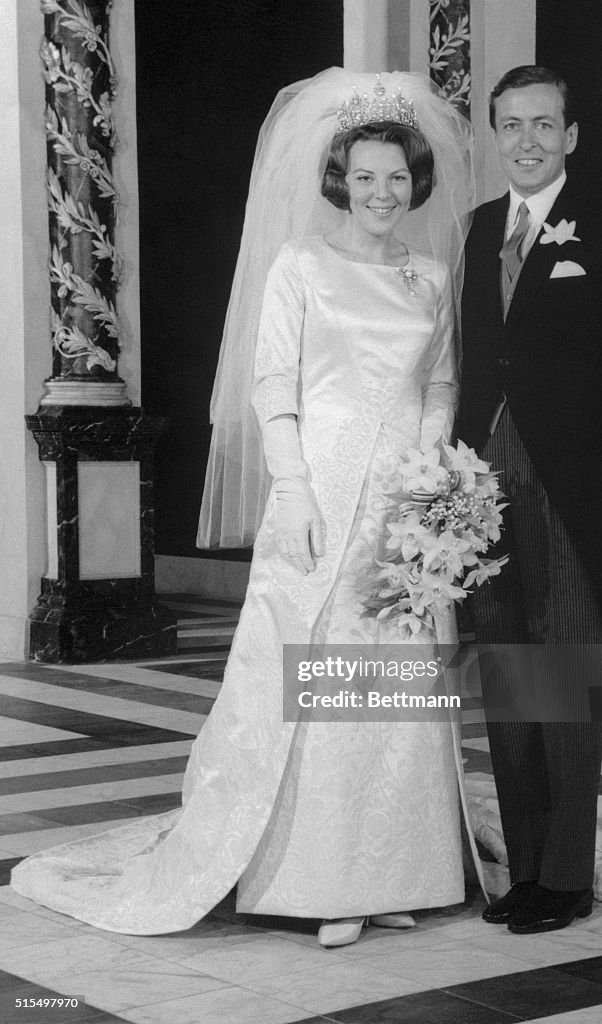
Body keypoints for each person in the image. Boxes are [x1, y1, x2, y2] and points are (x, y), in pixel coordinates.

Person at [12, 69, 482, 948]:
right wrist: (297, 486)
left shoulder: (429, 274)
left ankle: (393, 869)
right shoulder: (300, 264)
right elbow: (274, 383)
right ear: (339, 178)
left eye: (397, 178)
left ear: (415, 183)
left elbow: (441, 380)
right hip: (318, 492)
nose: (382, 193)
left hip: (404, 500)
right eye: (366, 176)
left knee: (394, 679)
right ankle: (318, 877)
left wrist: (430, 479)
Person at [457, 65, 602, 935]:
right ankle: (526, 863)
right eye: (510, 126)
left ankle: (567, 876)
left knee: (567, 675)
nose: (526, 141)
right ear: (495, 134)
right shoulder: (478, 231)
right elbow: (478, 363)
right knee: (508, 674)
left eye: (543, 125)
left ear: (569, 135)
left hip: (576, 491)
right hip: (484, 484)